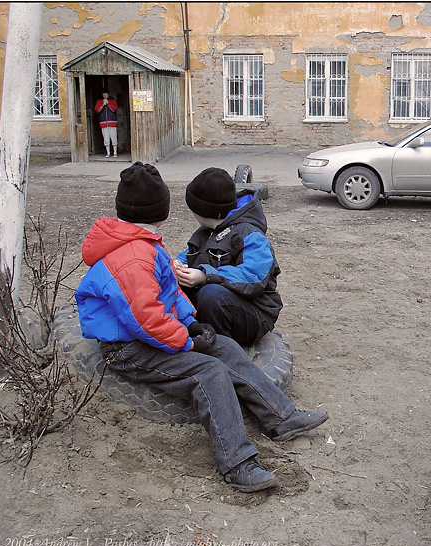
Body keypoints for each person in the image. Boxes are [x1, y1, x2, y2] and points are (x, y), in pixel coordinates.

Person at [75, 162, 328, 492]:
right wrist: (187, 342)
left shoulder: (145, 243)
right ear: (162, 211)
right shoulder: (133, 257)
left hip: (151, 334)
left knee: (223, 346)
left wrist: (193, 324)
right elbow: (146, 320)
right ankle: (236, 462)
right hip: (127, 348)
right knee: (208, 372)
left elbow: (170, 292)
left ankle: (280, 416)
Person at [174, 168, 281, 347]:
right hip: (219, 307)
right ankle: (193, 336)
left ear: (202, 210)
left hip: (255, 312)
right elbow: (188, 255)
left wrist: (205, 275)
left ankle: (223, 350)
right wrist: (177, 266)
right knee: (173, 286)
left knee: (211, 294)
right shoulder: (204, 233)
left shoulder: (250, 234)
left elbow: (254, 277)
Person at [95, 91, 118, 158]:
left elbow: (114, 109)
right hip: (103, 123)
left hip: (112, 122)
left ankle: (115, 152)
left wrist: (108, 104)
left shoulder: (113, 101)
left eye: (106, 94)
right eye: (103, 95)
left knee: (113, 137)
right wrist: (102, 105)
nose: (105, 96)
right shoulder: (99, 102)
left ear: (108, 95)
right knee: (106, 138)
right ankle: (108, 152)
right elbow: (97, 110)